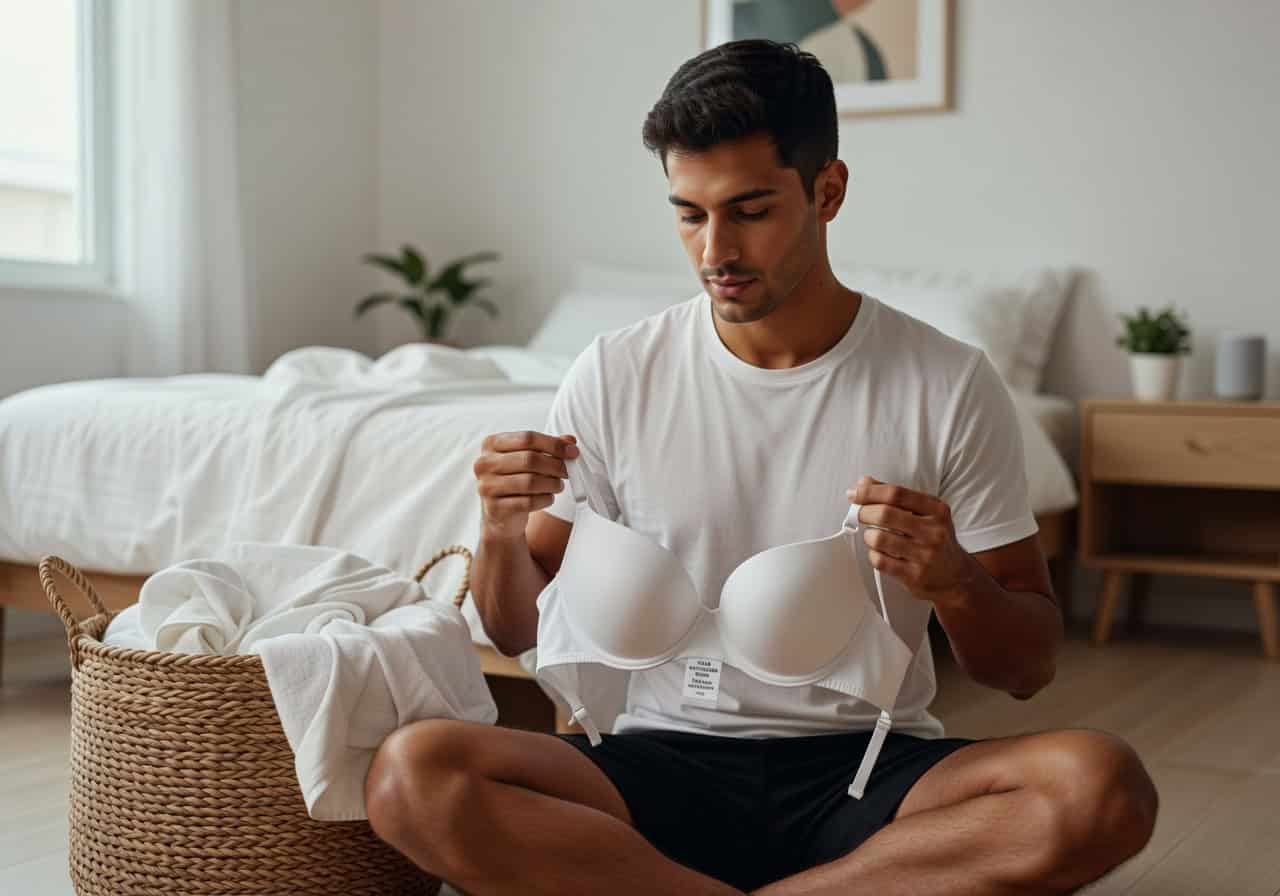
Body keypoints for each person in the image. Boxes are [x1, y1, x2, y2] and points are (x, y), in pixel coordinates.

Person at [364, 39, 1159, 895]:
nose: (715, 251)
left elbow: (1026, 670)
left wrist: (956, 582)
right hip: (651, 768)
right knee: (413, 774)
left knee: (1099, 786)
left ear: (828, 191)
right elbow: (515, 630)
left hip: (870, 775)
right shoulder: (615, 372)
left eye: (749, 210)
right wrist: (497, 528)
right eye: (689, 214)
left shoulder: (947, 383)